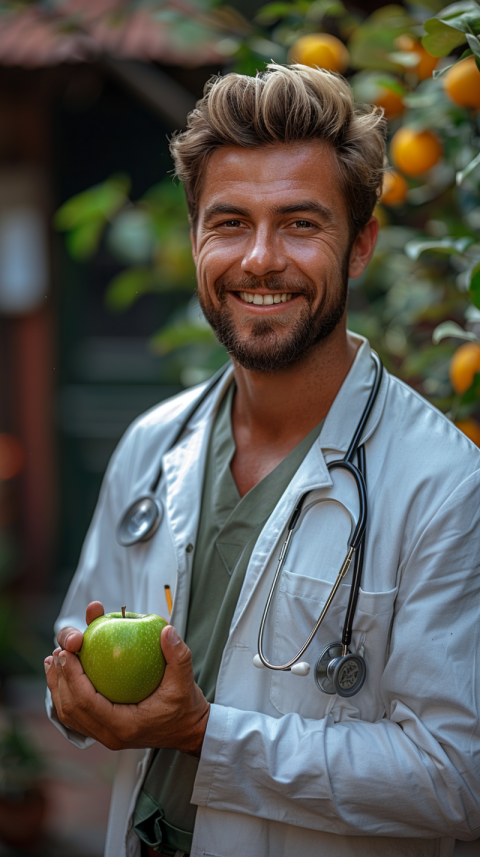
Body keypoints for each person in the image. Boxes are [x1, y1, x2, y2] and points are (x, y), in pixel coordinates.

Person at [44, 63, 480, 857]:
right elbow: (80, 631)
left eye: (301, 224)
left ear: (361, 246)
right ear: (196, 238)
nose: (259, 259)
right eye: (231, 222)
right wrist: (72, 696)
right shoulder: (152, 444)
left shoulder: (445, 485)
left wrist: (208, 734)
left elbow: (456, 775)